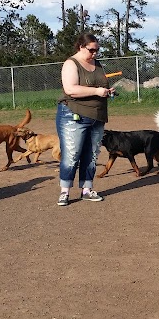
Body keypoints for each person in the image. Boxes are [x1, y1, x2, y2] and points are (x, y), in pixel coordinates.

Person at [55, 33, 115, 206]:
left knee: (92, 155)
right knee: (72, 154)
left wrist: (106, 91)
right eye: (91, 50)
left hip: (97, 116)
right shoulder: (70, 64)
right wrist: (97, 92)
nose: (95, 53)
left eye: (97, 50)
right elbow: (70, 89)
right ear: (81, 47)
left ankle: (87, 190)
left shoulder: (97, 64)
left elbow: (99, 85)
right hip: (74, 115)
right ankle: (64, 191)